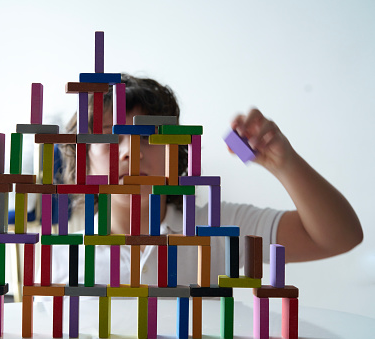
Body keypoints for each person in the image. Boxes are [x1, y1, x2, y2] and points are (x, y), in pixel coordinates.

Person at [47, 73, 363, 286]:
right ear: (85, 164)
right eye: (112, 138)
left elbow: (340, 236)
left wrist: (285, 164)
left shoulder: (217, 230)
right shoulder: (58, 259)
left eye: (149, 136)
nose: (132, 152)